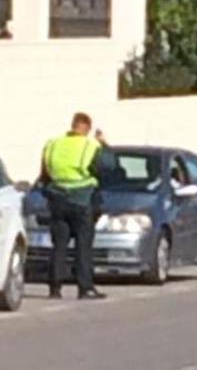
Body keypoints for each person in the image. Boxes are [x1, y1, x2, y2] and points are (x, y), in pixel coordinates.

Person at [41, 112, 107, 300]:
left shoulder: (53, 144)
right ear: (86, 128)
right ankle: (85, 288)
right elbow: (107, 167)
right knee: (83, 245)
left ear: (73, 125)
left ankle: (55, 288)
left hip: (57, 200)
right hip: (81, 199)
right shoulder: (90, 145)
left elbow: (44, 173)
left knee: (59, 245)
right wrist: (104, 144)